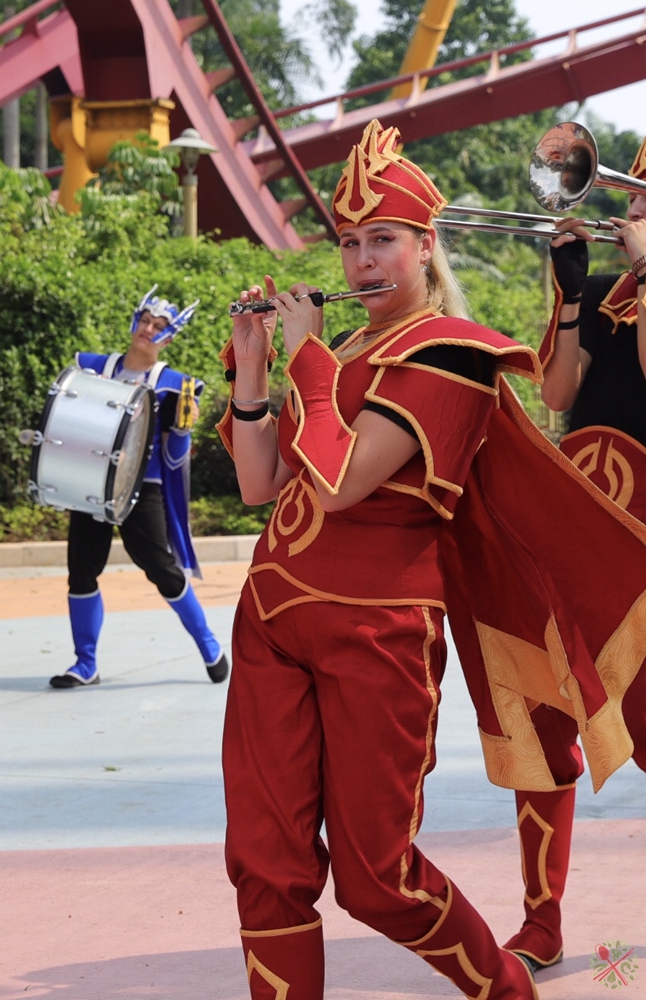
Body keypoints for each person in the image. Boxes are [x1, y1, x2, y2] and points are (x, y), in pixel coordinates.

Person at [217, 120, 646, 1000]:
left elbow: (337, 481)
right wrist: (255, 377)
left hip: (374, 635)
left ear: (425, 246)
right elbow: (266, 484)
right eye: (349, 244)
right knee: (263, 862)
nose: (364, 262)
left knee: (380, 881)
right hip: (272, 618)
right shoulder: (345, 353)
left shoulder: (453, 350)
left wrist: (303, 360)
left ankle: (507, 988)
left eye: (383, 241)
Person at [502, 136, 646, 975]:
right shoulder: (600, 291)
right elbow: (556, 394)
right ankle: (541, 916)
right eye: (629, 196)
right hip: (577, 520)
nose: (627, 207)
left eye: (638, 200)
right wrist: (564, 297)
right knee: (546, 710)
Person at [49, 287, 229, 689]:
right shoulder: (95, 367)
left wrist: (183, 428)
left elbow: (175, 453)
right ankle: (85, 664)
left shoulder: (172, 385)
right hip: (91, 483)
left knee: (161, 569)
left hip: (141, 486)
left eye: (159, 326)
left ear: (170, 337)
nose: (148, 329)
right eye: (145, 321)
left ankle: (209, 645)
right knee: (81, 572)